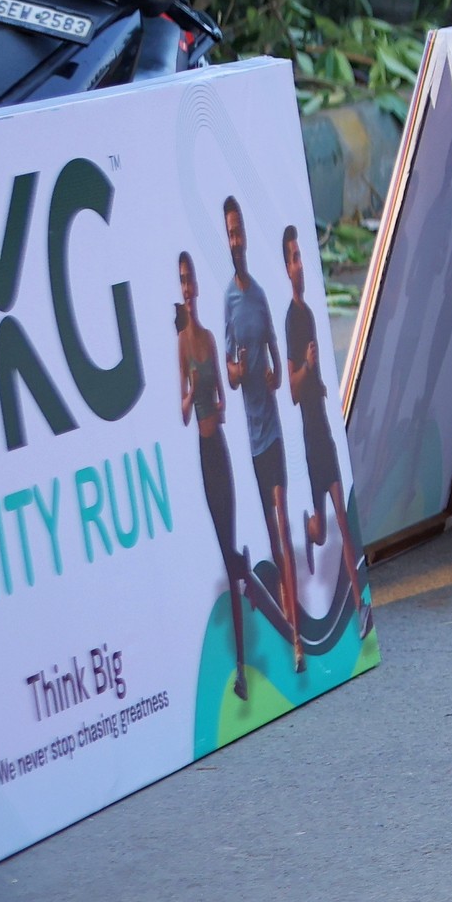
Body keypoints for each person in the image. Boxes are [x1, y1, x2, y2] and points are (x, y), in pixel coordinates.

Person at [220, 198, 303, 674]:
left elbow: (275, 350)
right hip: (252, 437)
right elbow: (231, 378)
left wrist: (274, 373)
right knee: (272, 531)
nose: (236, 240)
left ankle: (297, 631)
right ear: (226, 240)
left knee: (283, 520)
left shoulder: (260, 297)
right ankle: (290, 625)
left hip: (272, 428)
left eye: (239, 232)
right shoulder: (228, 303)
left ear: (246, 237)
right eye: (229, 234)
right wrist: (237, 368)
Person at [177, 253, 249, 695]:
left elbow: (222, 401)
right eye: (182, 281)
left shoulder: (205, 337)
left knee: (229, 552)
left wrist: (215, 402)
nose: (187, 288)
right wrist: (190, 393)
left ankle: (241, 668)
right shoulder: (183, 344)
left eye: (190, 280)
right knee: (227, 557)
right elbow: (183, 412)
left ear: (197, 287)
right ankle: (245, 573)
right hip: (204, 455)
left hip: (219, 449)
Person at [281, 225, 354, 560]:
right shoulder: (291, 320)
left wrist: (321, 382)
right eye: (294, 259)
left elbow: (313, 378)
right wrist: (308, 368)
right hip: (311, 437)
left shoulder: (310, 314)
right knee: (323, 533)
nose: (300, 266)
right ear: (287, 268)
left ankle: (358, 590)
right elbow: (293, 391)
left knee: (344, 522)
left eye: (301, 257)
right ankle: (310, 530)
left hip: (325, 429)